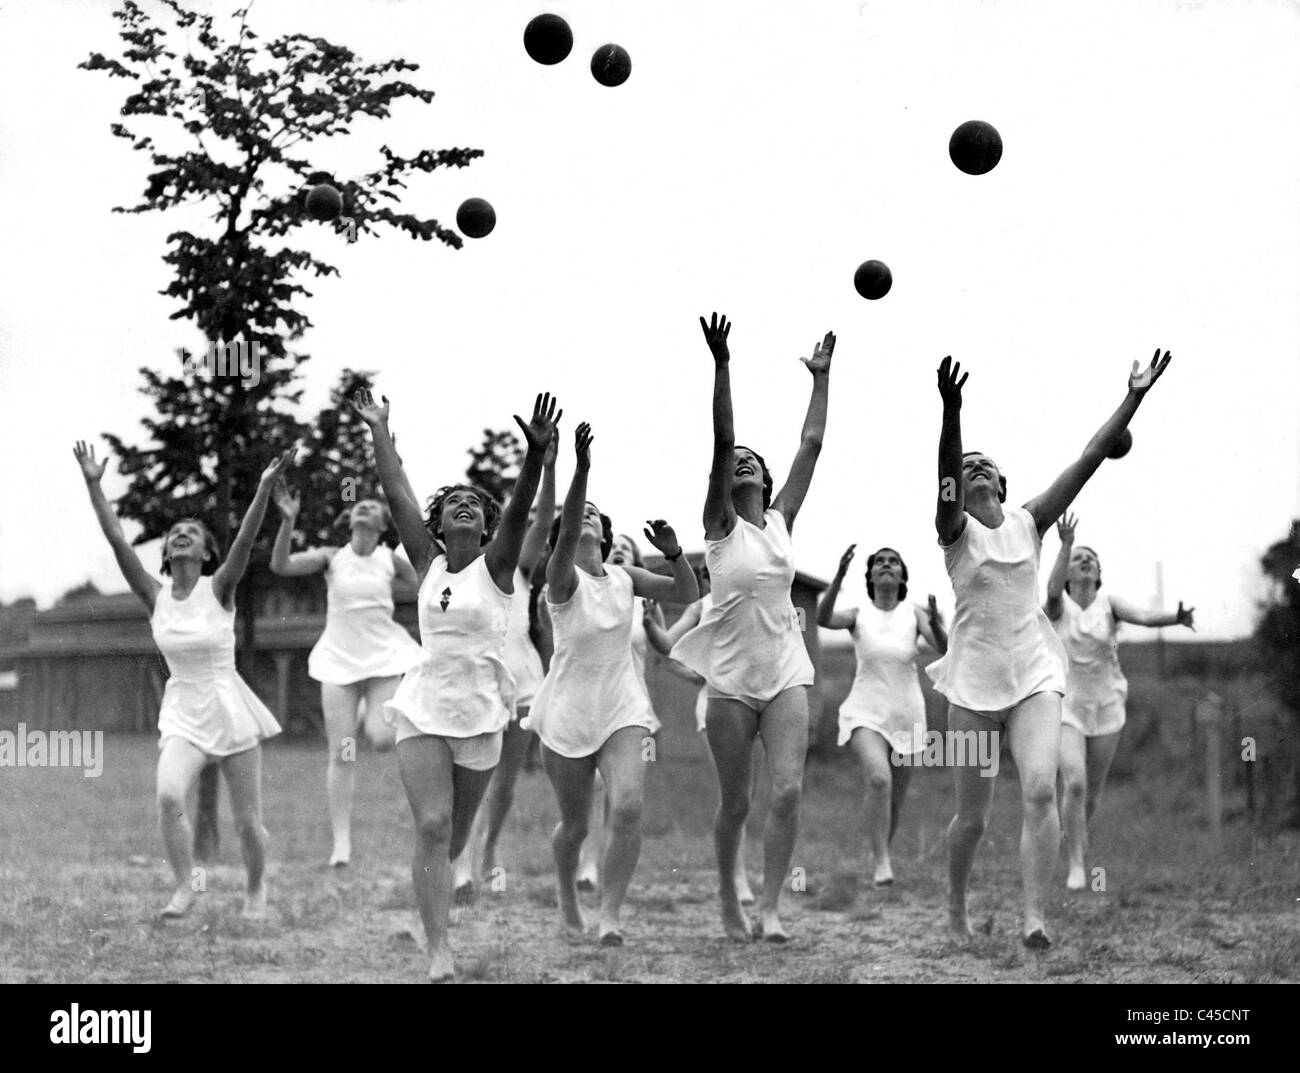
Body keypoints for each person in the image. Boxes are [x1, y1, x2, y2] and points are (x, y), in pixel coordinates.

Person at [929, 348, 1173, 948]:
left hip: (1036, 677)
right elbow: (944, 470)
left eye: (986, 464)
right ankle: (956, 905)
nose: (976, 468)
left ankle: (1034, 917)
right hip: (972, 689)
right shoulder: (953, 532)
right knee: (975, 817)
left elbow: (1090, 458)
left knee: (1042, 788)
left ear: (1005, 484)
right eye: (967, 467)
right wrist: (952, 411)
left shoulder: (1031, 521)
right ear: (956, 489)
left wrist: (1135, 396)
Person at [352, 387, 559, 981]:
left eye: (475, 504)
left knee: (454, 835)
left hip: (481, 709)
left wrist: (536, 458)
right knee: (433, 825)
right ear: (438, 524)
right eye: (453, 504)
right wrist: (379, 429)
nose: (464, 507)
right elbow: (396, 492)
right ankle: (438, 948)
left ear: (487, 524)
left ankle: (443, 881)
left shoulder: (497, 568)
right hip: (423, 704)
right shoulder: (428, 562)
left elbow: (522, 512)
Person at [73, 440, 294, 920]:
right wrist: (94, 484)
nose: (180, 536)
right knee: (170, 794)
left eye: (191, 533)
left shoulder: (220, 588)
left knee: (249, 824)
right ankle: (186, 885)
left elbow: (245, 540)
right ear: (167, 553)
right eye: (174, 533)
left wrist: (263, 488)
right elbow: (117, 540)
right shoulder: (155, 596)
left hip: (230, 707)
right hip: (182, 711)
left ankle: (255, 889)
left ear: (206, 551)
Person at [671, 311, 834, 943]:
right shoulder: (719, 524)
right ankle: (727, 897)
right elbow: (721, 442)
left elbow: (811, 444)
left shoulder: (782, 518)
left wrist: (820, 378)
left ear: (766, 480)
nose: (742, 462)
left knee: (787, 793)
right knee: (736, 802)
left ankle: (770, 907)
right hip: (731, 681)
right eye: (734, 461)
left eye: (752, 461)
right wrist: (722, 364)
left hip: (785, 672)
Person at [526, 422, 698, 944]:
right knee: (575, 825)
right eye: (581, 516)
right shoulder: (561, 580)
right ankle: (565, 889)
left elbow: (687, 591)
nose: (588, 518)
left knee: (626, 807)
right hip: (567, 709)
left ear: (606, 533)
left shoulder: (625, 578)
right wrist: (580, 468)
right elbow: (569, 519)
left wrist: (672, 553)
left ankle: (611, 915)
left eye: (597, 516)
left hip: (623, 706)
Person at [268, 488, 423, 867]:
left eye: (373, 507)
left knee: (384, 738)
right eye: (359, 506)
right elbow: (282, 565)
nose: (364, 509)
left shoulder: (390, 560)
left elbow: (427, 583)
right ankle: (341, 844)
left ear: (384, 525)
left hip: (384, 658)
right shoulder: (331, 558)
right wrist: (288, 520)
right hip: (339, 661)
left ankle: (367, 714)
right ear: (350, 521)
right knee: (342, 753)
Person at [1044, 512, 1194, 889]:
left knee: (1091, 794)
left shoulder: (1109, 604)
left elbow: (1143, 615)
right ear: (1068, 572)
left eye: (1091, 559)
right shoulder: (1059, 606)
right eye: (1079, 558)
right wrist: (1065, 543)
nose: (1085, 561)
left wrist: (1174, 618)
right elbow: (1049, 592)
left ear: (1098, 572)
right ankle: (1077, 864)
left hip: (1108, 704)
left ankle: (1076, 840)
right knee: (1073, 783)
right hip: (1068, 707)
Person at [451, 438, 559, 901]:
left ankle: (488, 852)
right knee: (467, 780)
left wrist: (549, 468)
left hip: (522, 685)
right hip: (473, 686)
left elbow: (542, 520)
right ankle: (458, 866)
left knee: (506, 780)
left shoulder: (518, 568)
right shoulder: (452, 571)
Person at [817, 544, 948, 886]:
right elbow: (823, 618)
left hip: (907, 715)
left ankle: (880, 858)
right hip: (865, 712)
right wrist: (838, 577)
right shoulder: (857, 613)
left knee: (895, 797)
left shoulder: (915, 614)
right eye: (880, 563)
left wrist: (936, 622)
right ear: (871, 575)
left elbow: (944, 647)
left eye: (893, 562)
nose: (887, 565)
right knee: (878, 780)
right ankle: (881, 864)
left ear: (903, 575)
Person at [643, 561, 756, 904]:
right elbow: (666, 646)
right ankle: (736, 878)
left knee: (747, 797)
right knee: (732, 795)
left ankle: (739, 873)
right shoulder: (700, 607)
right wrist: (650, 625)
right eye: (706, 573)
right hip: (715, 707)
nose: (713, 577)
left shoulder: (751, 601)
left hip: (758, 703)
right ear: (704, 580)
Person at [574, 532, 668, 891]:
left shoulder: (645, 604)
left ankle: (603, 868)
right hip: (589, 702)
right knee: (593, 788)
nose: (618, 552)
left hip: (635, 708)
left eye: (627, 551)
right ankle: (586, 863)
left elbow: (664, 647)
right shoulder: (585, 593)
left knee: (621, 797)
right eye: (614, 548)